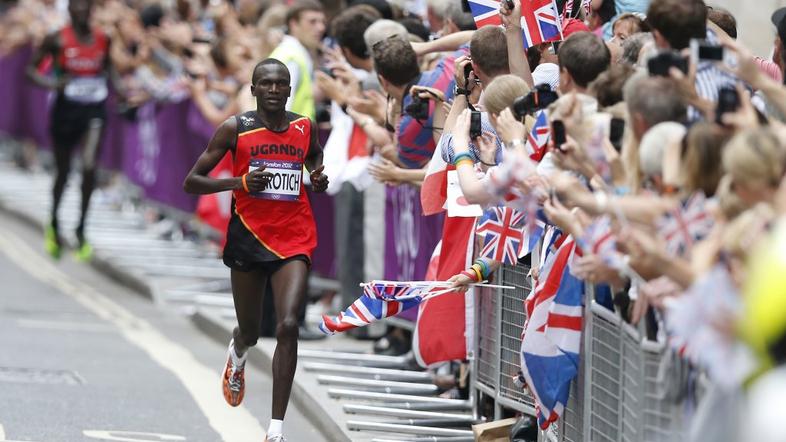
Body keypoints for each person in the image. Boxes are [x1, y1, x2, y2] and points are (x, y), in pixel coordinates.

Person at [183, 58, 329, 442]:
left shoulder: (303, 126)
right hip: (249, 235)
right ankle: (238, 352)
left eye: (282, 84)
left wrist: (316, 173)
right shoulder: (235, 128)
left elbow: (313, 153)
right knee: (251, 329)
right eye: (266, 84)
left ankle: (276, 430)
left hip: (295, 235)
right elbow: (192, 182)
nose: (275, 90)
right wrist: (241, 181)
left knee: (288, 325)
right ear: (253, 89)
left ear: (289, 90)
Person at [26, 0, 117, 260]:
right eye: (75, 6)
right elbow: (30, 70)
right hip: (65, 112)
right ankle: (54, 222)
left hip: (94, 111)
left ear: (91, 10)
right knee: (63, 172)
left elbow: (108, 69)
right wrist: (53, 83)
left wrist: (121, 91)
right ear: (69, 10)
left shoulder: (103, 39)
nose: (80, 11)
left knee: (89, 167)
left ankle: (81, 229)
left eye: (85, 6)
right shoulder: (56, 39)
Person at [269, 0, 326, 121]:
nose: (321, 27)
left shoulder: (293, 53)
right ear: (294, 24)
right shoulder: (291, 58)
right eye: (312, 21)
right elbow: (277, 110)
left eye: (322, 22)